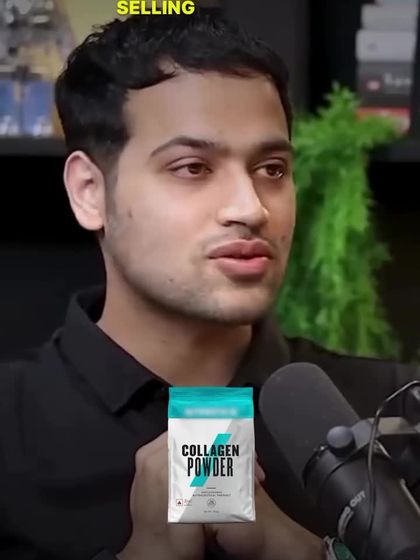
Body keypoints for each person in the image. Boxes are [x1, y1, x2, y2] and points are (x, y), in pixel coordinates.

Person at [0, 9, 417, 560]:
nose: (251, 208)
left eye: (271, 169)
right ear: (89, 192)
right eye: (193, 168)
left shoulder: (398, 410)